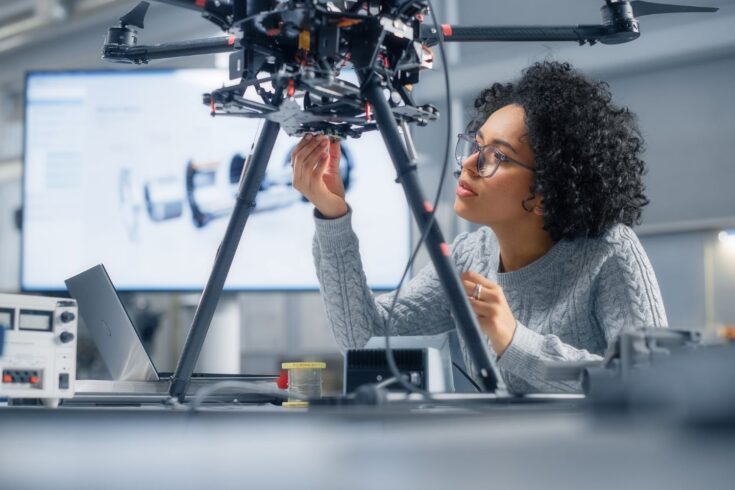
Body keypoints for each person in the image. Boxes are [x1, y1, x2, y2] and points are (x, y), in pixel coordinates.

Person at [290, 61, 668, 393]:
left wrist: (515, 341)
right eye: (476, 145)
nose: (469, 163)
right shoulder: (471, 257)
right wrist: (332, 216)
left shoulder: (609, 250)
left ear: (545, 193)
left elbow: (651, 381)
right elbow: (363, 337)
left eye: (496, 157)